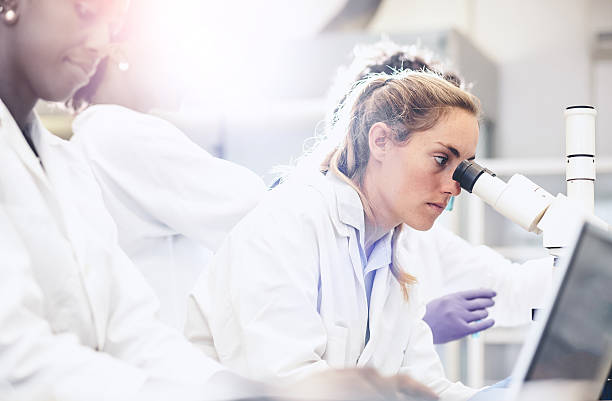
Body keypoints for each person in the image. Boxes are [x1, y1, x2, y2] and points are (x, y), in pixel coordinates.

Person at [0, 1, 254, 399]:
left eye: (113, 24)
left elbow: (133, 333)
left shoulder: (66, 163)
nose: (102, 42)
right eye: (87, 12)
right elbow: (14, 360)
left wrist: (254, 392)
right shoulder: (108, 133)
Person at [185, 70, 485, 400]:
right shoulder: (292, 220)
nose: (454, 187)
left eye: (462, 169)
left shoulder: (392, 262)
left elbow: (428, 389)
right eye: (441, 159)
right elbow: (287, 380)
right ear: (381, 141)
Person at [331, 40, 553, 344]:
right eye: (440, 158)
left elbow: (509, 290)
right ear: (378, 134)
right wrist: (420, 327)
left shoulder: (416, 237)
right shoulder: (311, 225)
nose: (455, 187)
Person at [68, 0, 266, 328]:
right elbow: (252, 207)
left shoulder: (91, 138)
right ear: (119, 52)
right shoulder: (123, 132)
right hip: (175, 351)